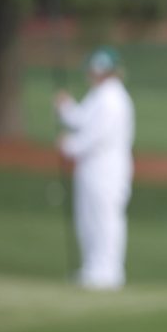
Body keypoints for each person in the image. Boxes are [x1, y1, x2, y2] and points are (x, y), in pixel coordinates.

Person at [54, 47, 135, 290]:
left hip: (107, 170)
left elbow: (96, 135)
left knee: (105, 219)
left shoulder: (113, 99)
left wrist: (70, 146)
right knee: (87, 219)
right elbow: (82, 119)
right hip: (90, 169)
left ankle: (108, 272)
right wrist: (65, 108)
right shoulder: (99, 95)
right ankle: (92, 268)